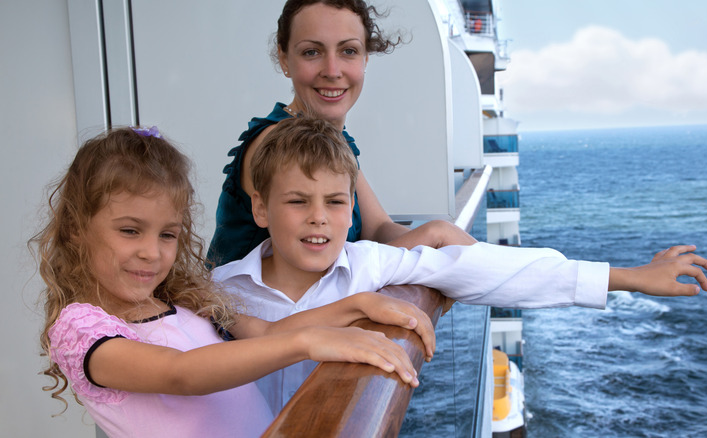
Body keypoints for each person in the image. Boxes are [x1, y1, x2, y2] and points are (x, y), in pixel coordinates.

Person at [212, 116, 707, 415]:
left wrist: (628, 277)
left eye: (336, 202)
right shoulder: (221, 290)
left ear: (352, 209)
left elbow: (487, 269)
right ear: (260, 209)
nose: (319, 218)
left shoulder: (371, 263)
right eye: (298, 201)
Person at [32, 126, 436, 437]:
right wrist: (306, 344)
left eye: (168, 234)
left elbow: (267, 331)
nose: (152, 253)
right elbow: (182, 373)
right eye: (130, 231)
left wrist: (359, 307)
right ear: (75, 230)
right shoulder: (81, 331)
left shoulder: (179, 299)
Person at [207, 0, 476, 267]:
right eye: (312, 52)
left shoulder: (332, 141)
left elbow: (378, 228)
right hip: (251, 309)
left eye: (348, 51)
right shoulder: (280, 144)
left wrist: (436, 244)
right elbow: (324, 272)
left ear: (365, 58)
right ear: (284, 58)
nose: (333, 71)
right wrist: (434, 234)